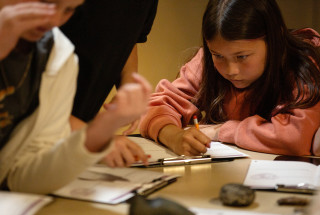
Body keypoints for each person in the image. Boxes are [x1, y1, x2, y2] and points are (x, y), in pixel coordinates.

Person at [0, 0, 151, 194]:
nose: (54, 20)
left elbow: (18, 174)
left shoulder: (57, 57)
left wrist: (97, 133)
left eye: (69, 10)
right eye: (47, 3)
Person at [139, 0, 320, 157]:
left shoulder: (300, 65)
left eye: (242, 57)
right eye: (217, 55)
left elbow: (296, 136)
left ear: (274, 40)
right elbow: (157, 107)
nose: (231, 70)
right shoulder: (206, 62)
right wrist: (174, 137)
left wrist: (220, 131)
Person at [60, 0, 158, 167]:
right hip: (33, 134)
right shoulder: (47, 40)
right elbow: (33, 108)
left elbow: (129, 36)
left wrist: (128, 87)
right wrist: (95, 138)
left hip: (70, 135)